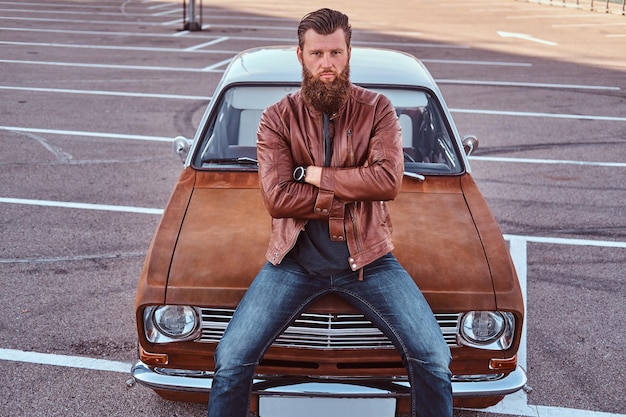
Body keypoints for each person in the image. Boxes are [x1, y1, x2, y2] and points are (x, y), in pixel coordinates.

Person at [207, 8, 452, 417]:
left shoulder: (377, 109)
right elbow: (278, 199)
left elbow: (388, 182)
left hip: (370, 260)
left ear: (349, 53)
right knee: (231, 359)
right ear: (300, 55)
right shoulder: (276, 118)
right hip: (293, 262)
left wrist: (315, 174)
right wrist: (352, 188)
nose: (327, 64)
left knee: (434, 358)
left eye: (335, 53)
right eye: (317, 53)